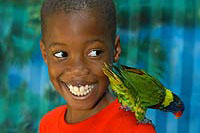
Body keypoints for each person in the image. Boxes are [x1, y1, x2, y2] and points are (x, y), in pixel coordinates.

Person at [39, 0, 156, 132]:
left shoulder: (134, 129)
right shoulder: (48, 124)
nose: (78, 69)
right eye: (61, 54)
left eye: (94, 53)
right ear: (45, 54)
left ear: (115, 50)